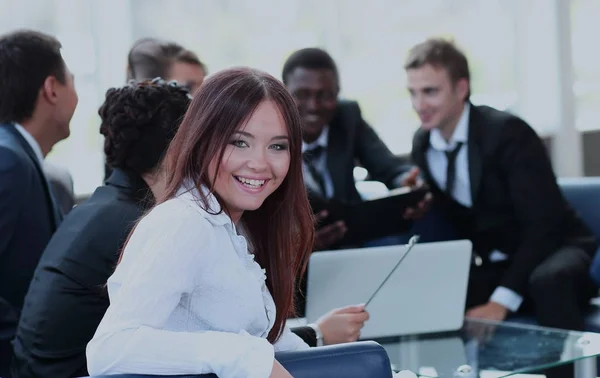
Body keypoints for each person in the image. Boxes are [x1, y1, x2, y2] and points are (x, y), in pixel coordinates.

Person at [87, 68, 368, 378]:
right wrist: (239, 355)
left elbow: (258, 340)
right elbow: (110, 349)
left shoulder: (234, 225)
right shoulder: (184, 222)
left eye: (278, 146)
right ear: (202, 140)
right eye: (239, 142)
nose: (260, 163)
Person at [405, 38, 598, 330]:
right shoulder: (422, 143)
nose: (420, 105)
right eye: (413, 93)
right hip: (501, 260)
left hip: (558, 246)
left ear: (461, 88)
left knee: (547, 282)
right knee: (436, 293)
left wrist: (501, 301)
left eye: (430, 92)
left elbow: (544, 225)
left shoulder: (508, 133)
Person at [282, 47, 427, 251]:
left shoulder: (347, 118)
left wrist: (407, 182)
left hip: (352, 240)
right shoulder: (270, 133)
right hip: (295, 253)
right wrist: (298, 245)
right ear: (284, 92)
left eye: (324, 95)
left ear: (337, 93)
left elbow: (389, 167)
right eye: (302, 94)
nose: (313, 105)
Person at [0, 29, 78, 375]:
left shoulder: (19, 156)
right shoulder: (8, 160)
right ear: (52, 89)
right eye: (72, 81)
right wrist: (24, 344)